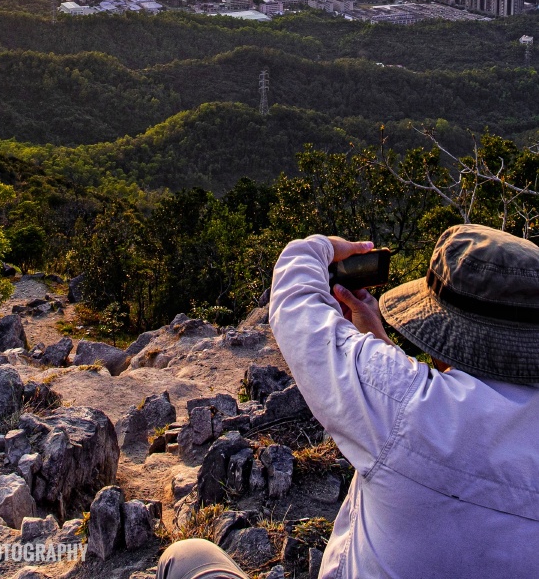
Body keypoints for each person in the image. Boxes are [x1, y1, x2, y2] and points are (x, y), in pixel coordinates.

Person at [157, 223, 539, 579]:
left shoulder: (405, 409)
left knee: (186, 555)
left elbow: (294, 304)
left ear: (442, 341)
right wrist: (378, 346)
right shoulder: (412, 408)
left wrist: (318, 249)